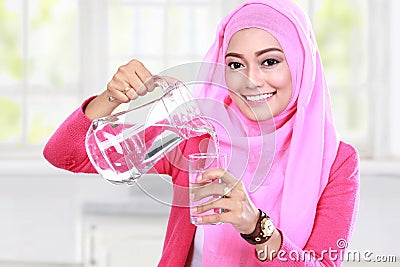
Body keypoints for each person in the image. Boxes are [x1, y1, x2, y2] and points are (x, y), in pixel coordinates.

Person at [43, 0, 360, 266]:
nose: (250, 79)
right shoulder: (199, 133)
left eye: (270, 61)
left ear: (301, 63)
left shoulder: (336, 162)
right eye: (235, 65)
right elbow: (64, 154)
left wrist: (255, 226)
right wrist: (111, 97)